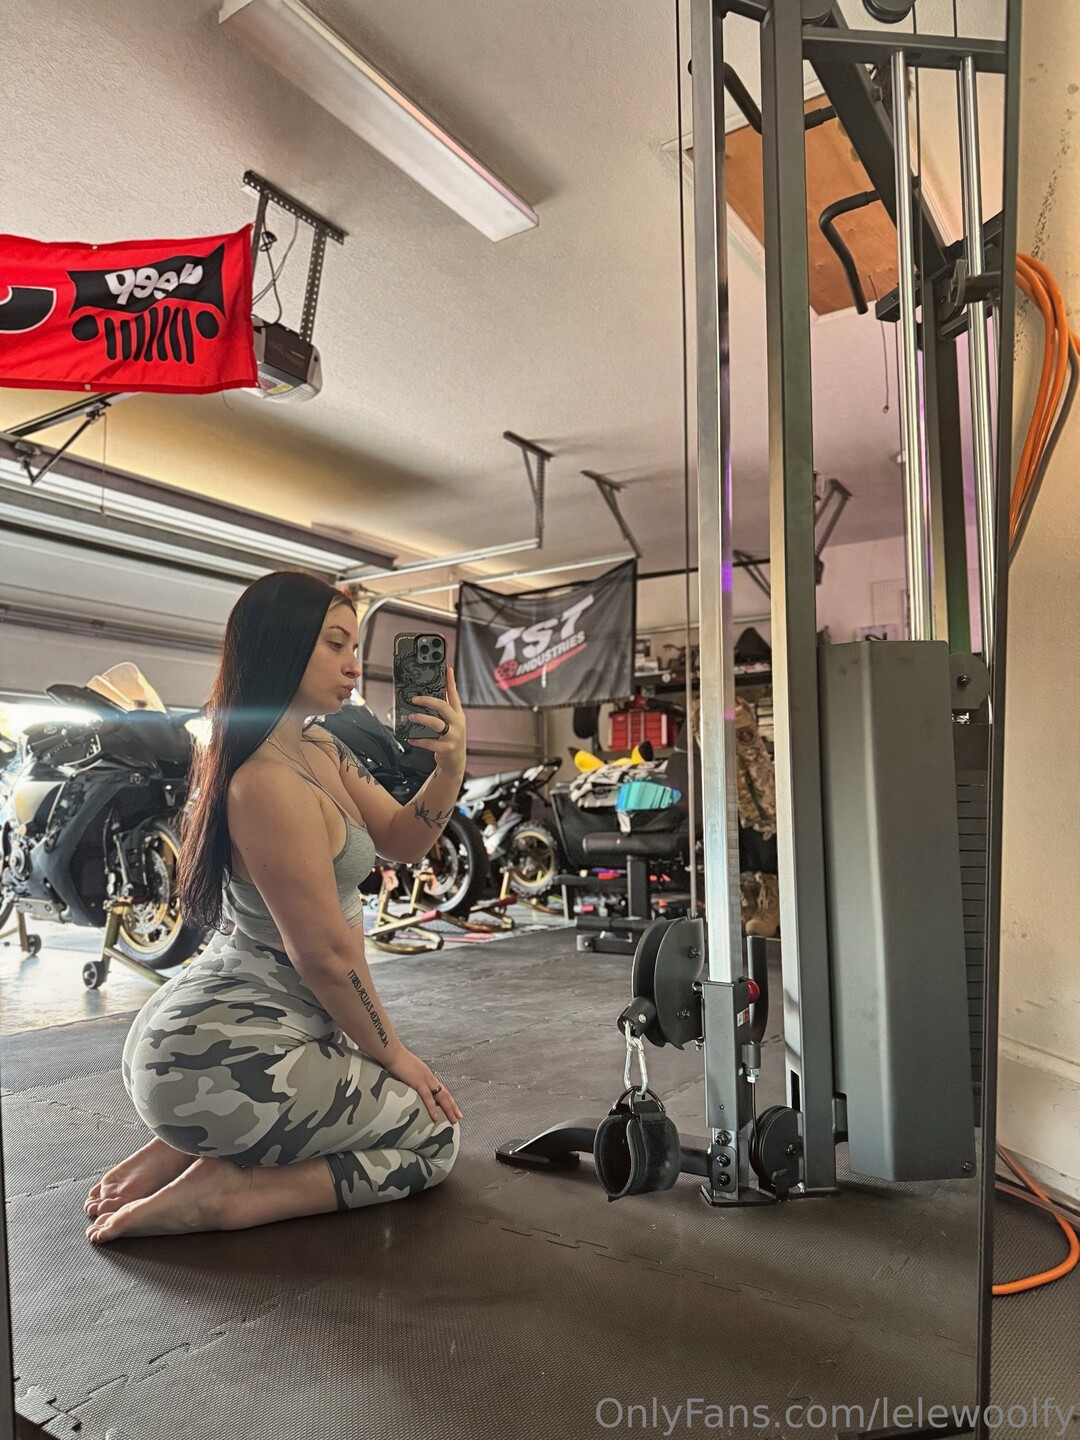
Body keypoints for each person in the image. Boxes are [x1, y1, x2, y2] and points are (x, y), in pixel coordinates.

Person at [83, 571, 464, 1243]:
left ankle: (190, 1147)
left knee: (395, 1099)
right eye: (334, 644)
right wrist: (396, 1054)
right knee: (436, 1141)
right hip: (214, 1056)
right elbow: (324, 956)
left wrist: (450, 765)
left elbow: (403, 839)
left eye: (354, 646)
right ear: (280, 646)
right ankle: (228, 1191)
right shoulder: (266, 782)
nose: (353, 665)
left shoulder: (319, 747)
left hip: (231, 1043)